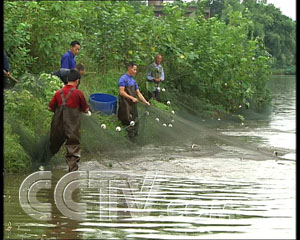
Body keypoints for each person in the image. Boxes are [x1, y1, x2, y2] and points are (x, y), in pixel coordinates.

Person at [48, 69, 90, 172]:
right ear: (77, 81)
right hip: (72, 125)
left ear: (67, 79)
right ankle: (72, 172)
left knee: (54, 144)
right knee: (73, 145)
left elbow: (50, 108)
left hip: (58, 124)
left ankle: (44, 163)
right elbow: (86, 109)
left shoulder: (58, 92)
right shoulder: (78, 93)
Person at [118, 62, 150, 142]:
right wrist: (131, 98)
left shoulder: (133, 81)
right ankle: (130, 142)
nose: (135, 71)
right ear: (129, 68)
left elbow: (138, 93)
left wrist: (145, 102)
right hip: (125, 104)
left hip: (133, 104)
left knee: (136, 122)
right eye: (134, 69)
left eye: (136, 70)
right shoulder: (123, 79)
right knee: (129, 122)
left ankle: (134, 141)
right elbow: (121, 92)